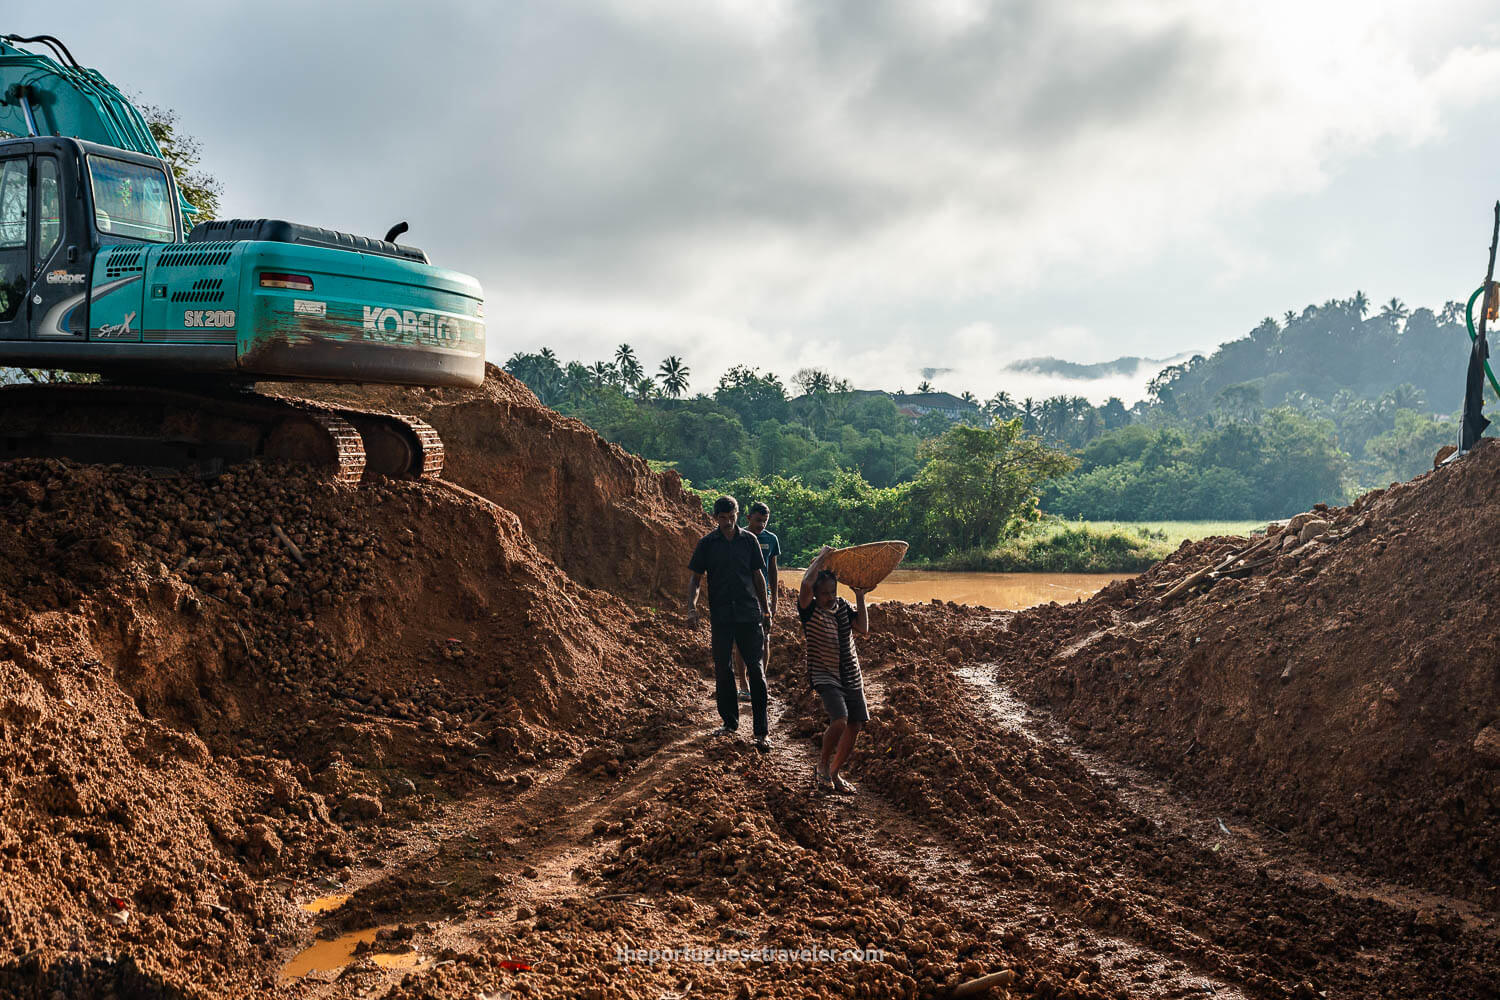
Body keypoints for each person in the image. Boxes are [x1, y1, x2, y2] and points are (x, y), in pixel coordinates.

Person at [686, 496, 774, 752]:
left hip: (749, 615)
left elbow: (758, 576)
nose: (727, 522)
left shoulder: (750, 541)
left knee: (756, 672)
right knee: (723, 670)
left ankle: (761, 732)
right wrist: (691, 608)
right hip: (722, 617)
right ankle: (729, 723)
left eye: (731, 517)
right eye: (722, 518)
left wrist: (766, 611)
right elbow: (695, 580)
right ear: (715, 518)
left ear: (737, 514)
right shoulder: (707, 544)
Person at [798, 548, 870, 794]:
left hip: (851, 672)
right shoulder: (809, 610)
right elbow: (806, 584)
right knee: (840, 719)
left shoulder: (842, 607)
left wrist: (860, 596)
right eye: (824, 593)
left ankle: (835, 773)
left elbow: (862, 627)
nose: (829, 597)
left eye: (833, 592)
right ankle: (822, 765)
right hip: (824, 673)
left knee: (856, 724)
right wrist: (822, 558)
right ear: (815, 595)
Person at [732, 502, 781, 701]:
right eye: (757, 520)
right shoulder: (738, 537)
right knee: (741, 641)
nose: (761, 525)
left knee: (765, 640)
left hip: (763, 596)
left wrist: (774, 598)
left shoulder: (771, 539)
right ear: (748, 518)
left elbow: (773, 569)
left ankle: (758, 683)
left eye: (764, 521)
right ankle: (743, 685)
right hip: (742, 596)